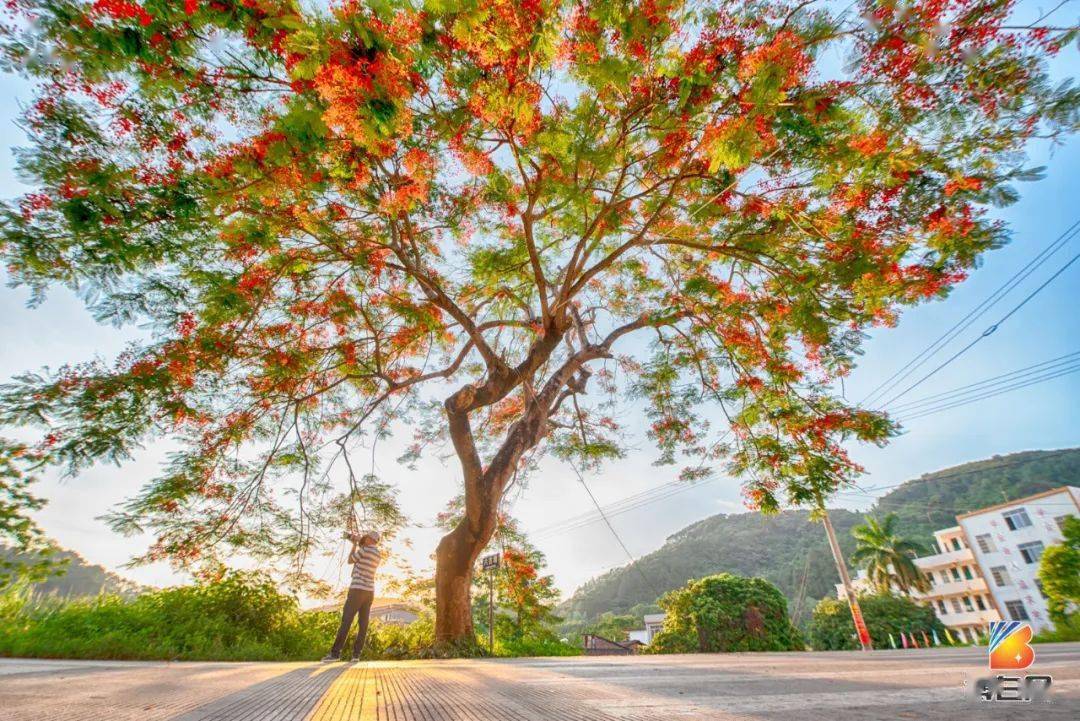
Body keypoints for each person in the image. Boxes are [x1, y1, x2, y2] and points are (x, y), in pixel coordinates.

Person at [322, 529, 382, 662]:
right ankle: (356, 655)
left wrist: (354, 545)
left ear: (369, 539)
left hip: (357, 590)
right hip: (369, 591)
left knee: (346, 621)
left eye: (366, 537)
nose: (364, 539)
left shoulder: (364, 550)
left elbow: (350, 560)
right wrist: (358, 540)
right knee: (363, 624)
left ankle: (335, 654)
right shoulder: (378, 554)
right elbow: (364, 554)